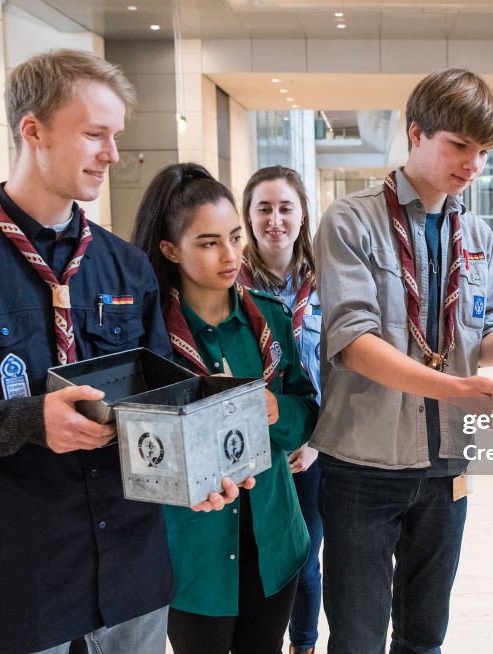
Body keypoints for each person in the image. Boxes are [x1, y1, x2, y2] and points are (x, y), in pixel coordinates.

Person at [0, 49, 242, 654]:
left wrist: (193, 467)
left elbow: (157, 402)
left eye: (116, 136)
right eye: (94, 134)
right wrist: (27, 421)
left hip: (132, 575)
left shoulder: (125, 265)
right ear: (32, 130)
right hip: (18, 577)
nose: (112, 154)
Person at [311, 67, 493, 653]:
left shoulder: (476, 232)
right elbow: (354, 343)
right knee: (357, 637)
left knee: (425, 634)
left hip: (447, 466)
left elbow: (477, 341)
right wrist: (452, 388)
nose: (472, 164)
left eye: (483, 152)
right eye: (459, 145)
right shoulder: (351, 221)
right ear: (415, 133)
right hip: (364, 464)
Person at [131, 162, 318, 654]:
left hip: (273, 539)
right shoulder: (149, 340)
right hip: (194, 551)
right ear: (170, 250)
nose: (230, 254)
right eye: (209, 243)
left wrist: (277, 411)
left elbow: (305, 415)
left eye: (235, 237)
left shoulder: (269, 321)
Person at [238, 165, 323, 654]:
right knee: (262, 560)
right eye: (263, 208)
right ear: (248, 217)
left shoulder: (328, 284)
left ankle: (305, 645)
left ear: (302, 213)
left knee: (305, 560)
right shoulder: (231, 288)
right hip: (254, 451)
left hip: (311, 448)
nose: (275, 219)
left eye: (285, 207)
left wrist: (313, 442)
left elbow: (339, 371)